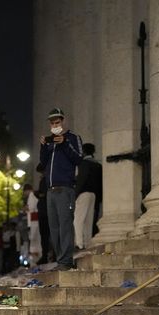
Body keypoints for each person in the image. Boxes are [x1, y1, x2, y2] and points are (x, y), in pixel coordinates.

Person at [39, 107, 83, 270]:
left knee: (65, 224)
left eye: (57, 122)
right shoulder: (50, 142)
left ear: (63, 121)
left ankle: (65, 260)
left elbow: (78, 158)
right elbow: (43, 163)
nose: (54, 125)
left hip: (65, 188)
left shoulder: (72, 138)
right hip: (51, 190)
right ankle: (60, 260)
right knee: (54, 227)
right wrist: (43, 146)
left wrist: (64, 143)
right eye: (52, 122)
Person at [73, 142, 102, 250]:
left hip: (83, 193)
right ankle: (88, 243)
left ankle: (79, 243)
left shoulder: (84, 164)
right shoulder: (98, 165)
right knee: (89, 220)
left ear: (83, 152)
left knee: (78, 219)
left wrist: (75, 195)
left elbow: (81, 180)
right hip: (93, 195)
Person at [34, 163, 51, 264]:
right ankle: (47, 255)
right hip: (45, 211)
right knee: (46, 235)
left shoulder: (45, 180)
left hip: (44, 212)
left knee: (45, 235)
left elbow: (43, 194)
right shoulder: (46, 179)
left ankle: (46, 255)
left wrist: (38, 194)